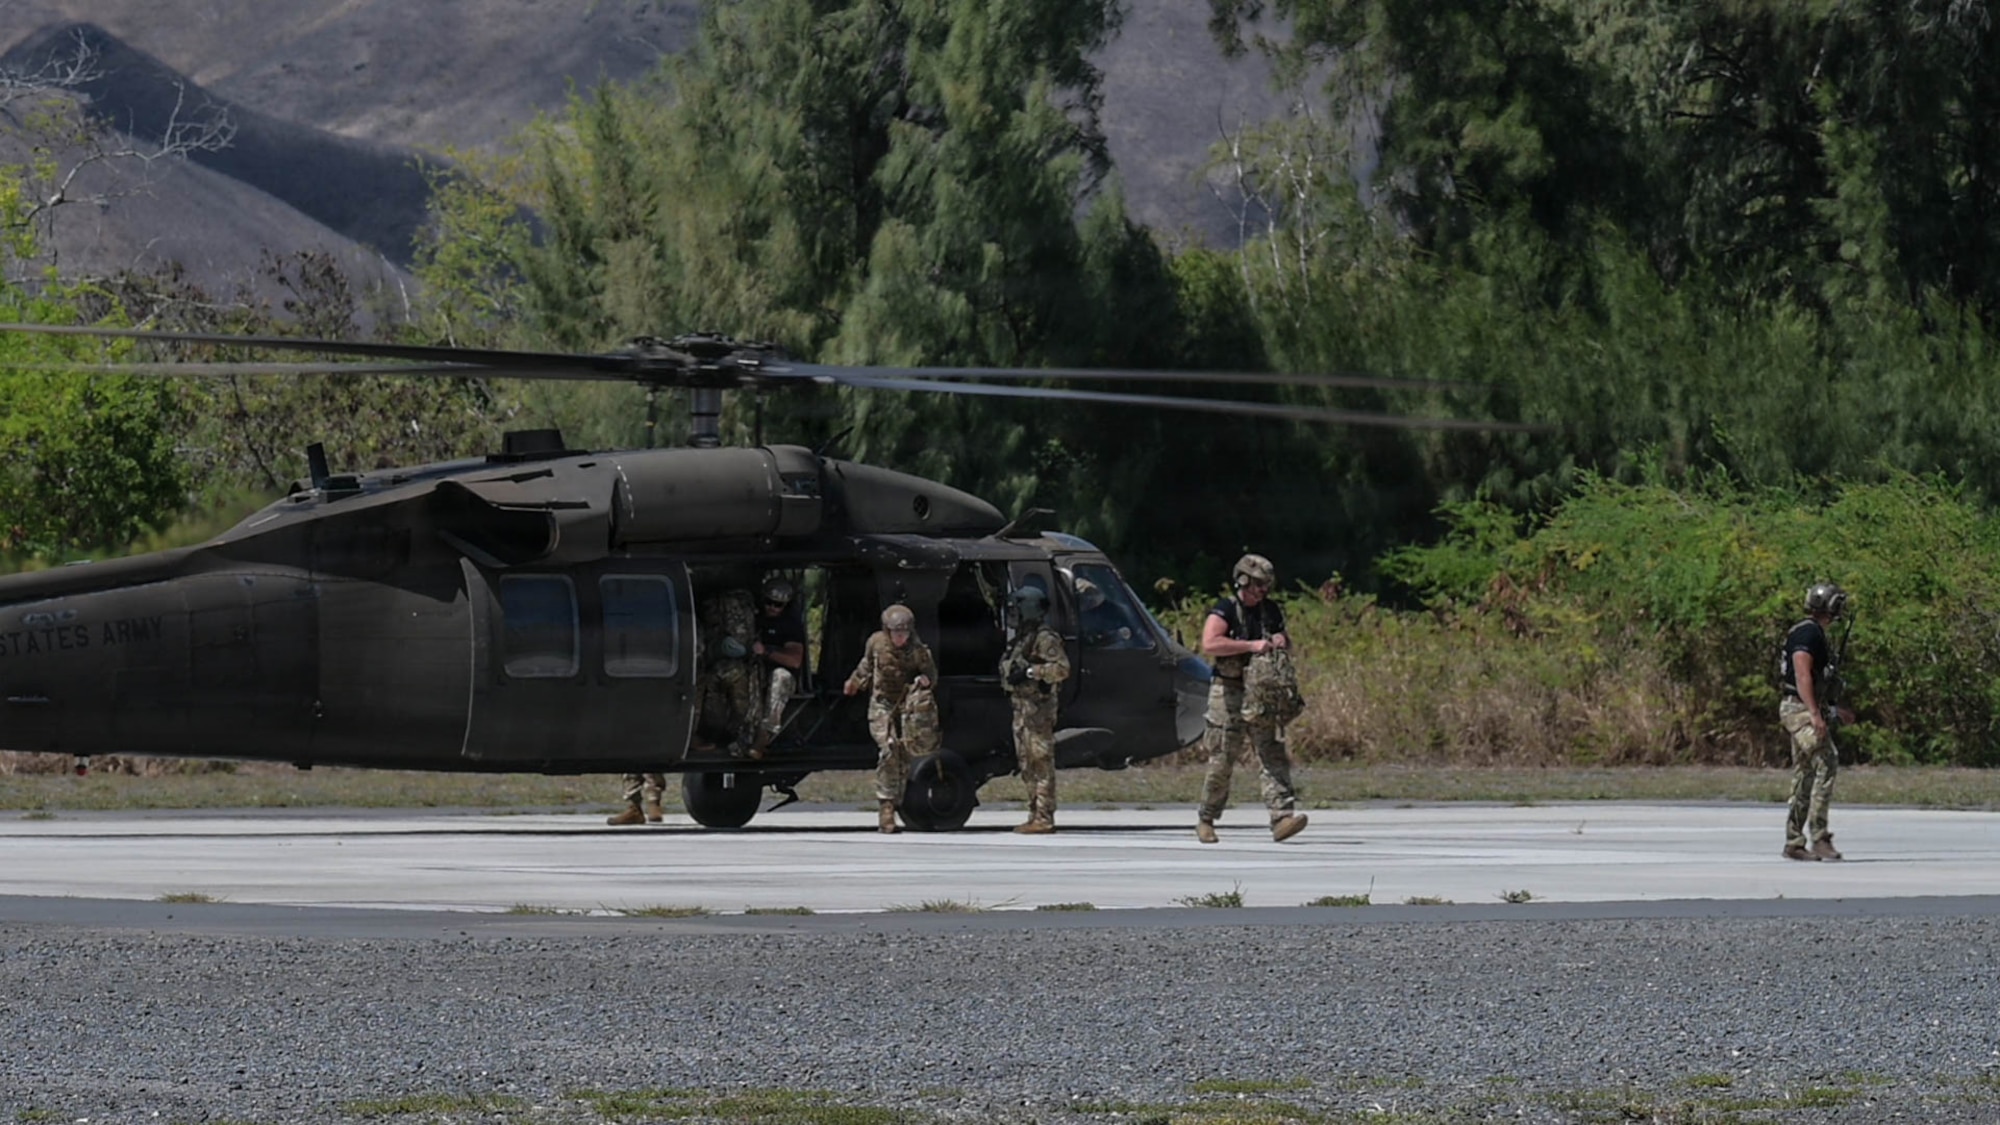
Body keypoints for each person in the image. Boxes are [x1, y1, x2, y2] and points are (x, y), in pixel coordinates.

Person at [1196, 553, 1308, 844]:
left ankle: (1282, 816)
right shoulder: (1225, 610)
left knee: (1271, 752)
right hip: (1228, 691)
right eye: (1258, 585)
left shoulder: (1269, 611)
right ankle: (1206, 818)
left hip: (1260, 692)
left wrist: (1281, 642)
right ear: (1243, 581)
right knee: (1222, 756)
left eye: (1266, 585)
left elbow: (1284, 640)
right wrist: (1249, 645)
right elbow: (1210, 643)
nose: (1263, 591)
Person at [843, 604, 939, 833]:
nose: (900, 637)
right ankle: (886, 808)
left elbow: (932, 674)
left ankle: (897, 801)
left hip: (907, 706)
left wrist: (925, 680)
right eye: (896, 633)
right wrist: (854, 682)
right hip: (881, 704)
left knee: (904, 756)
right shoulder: (876, 643)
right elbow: (866, 665)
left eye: (904, 632)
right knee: (888, 748)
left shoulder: (918, 650)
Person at [1780, 581, 1855, 861]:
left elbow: (1818, 681)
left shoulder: (1812, 633)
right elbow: (1802, 673)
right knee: (1827, 760)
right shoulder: (1808, 633)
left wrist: (1834, 711)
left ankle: (1794, 841)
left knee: (1805, 772)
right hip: (1798, 709)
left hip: (1802, 707)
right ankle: (1819, 837)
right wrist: (1813, 713)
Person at [1001, 585, 1070, 833]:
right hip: (1022, 710)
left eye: (1017, 607)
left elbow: (1061, 669)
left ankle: (1044, 816)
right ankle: (1034, 813)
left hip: (1037, 711)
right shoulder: (1023, 637)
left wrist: (1031, 672)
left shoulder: (1044, 638)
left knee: (1040, 762)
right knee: (1027, 763)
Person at [697, 586, 761, 756]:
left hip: (739, 667)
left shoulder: (745, 623)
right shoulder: (706, 627)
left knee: (741, 699)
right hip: (713, 668)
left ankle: (740, 736)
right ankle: (716, 735)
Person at [750, 576, 808, 759]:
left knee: (780, 677)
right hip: (756, 670)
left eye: (778, 605)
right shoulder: (754, 618)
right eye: (769, 603)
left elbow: (795, 660)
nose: (773, 608)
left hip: (782, 675)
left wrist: (766, 651)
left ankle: (764, 735)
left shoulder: (789, 625)